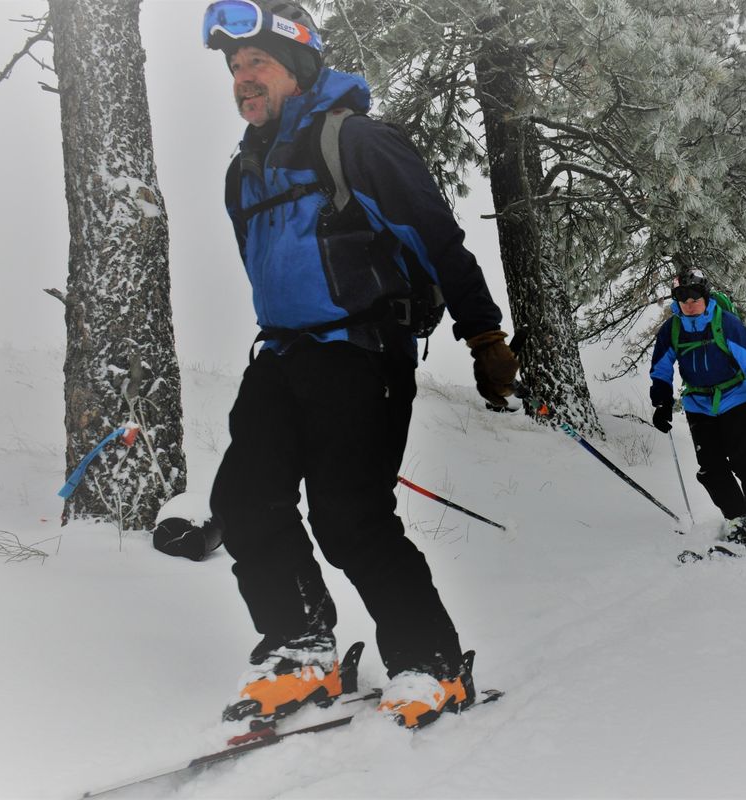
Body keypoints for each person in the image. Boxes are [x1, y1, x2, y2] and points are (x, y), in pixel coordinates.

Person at [201, 0, 519, 730]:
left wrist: (484, 337)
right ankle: (302, 647)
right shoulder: (242, 173)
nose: (244, 79)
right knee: (246, 503)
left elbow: (437, 238)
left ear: (300, 66)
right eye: (236, 66)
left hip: (362, 352)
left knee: (350, 518)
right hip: (282, 354)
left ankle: (432, 661)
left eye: (260, 64)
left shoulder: (358, 142)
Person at [648, 270, 746, 545]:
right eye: (682, 297)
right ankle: (737, 517)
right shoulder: (672, 330)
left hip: (735, 397)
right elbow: (661, 369)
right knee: (710, 467)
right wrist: (661, 402)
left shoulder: (726, 323)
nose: (689, 302)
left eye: (694, 296)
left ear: (705, 296)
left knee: (742, 458)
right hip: (698, 403)